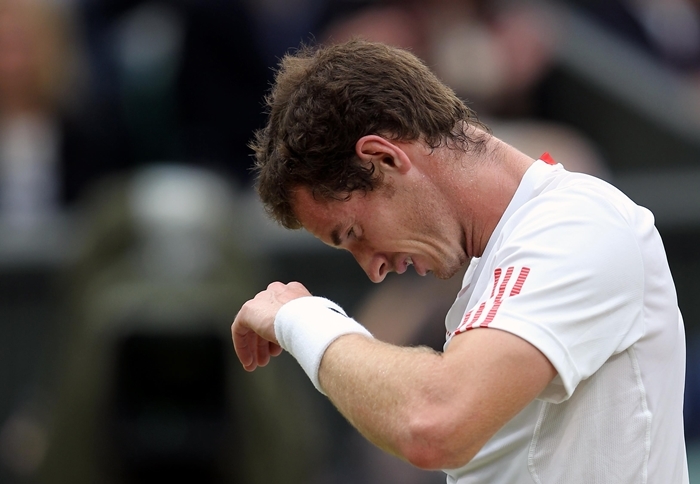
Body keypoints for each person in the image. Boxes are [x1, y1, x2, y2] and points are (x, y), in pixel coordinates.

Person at [231, 39, 688, 483]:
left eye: (353, 233)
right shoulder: (501, 260)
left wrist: (303, 319)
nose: (373, 268)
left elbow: (434, 424)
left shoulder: (577, 224)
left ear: (382, 158)